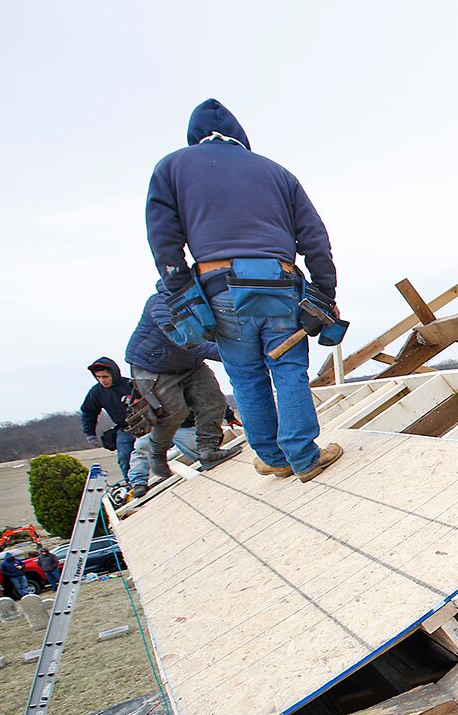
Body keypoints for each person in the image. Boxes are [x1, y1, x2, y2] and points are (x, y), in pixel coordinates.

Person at [145, 99, 343, 483]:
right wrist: (325, 292)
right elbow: (315, 239)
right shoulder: (276, 172)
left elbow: (164, 242)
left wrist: (181, 292)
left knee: (246, 377)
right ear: (241, 137)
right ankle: (304, 456)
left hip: (219, 289)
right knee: (288, 369)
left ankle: (272, 457)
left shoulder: (171, 167)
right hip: (280, 285)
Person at [124, 281, 239, 484]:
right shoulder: (160, 304)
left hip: (189, 363)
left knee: (213, 400)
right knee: (173, 413)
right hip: (153, 365)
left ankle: (208, 450)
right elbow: (188, 340)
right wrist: (238, 354)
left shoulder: (204, 300)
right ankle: (157, 454)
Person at [79, 357, 135, 482]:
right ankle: (131, 484)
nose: (102, 380)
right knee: (124, 458)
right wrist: (90, 434)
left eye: (105, 376)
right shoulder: (96, 392)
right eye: (98, 377)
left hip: (147, 425)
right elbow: (88, 412)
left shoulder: (130, 384)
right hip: (125, 428)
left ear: (113, 374)